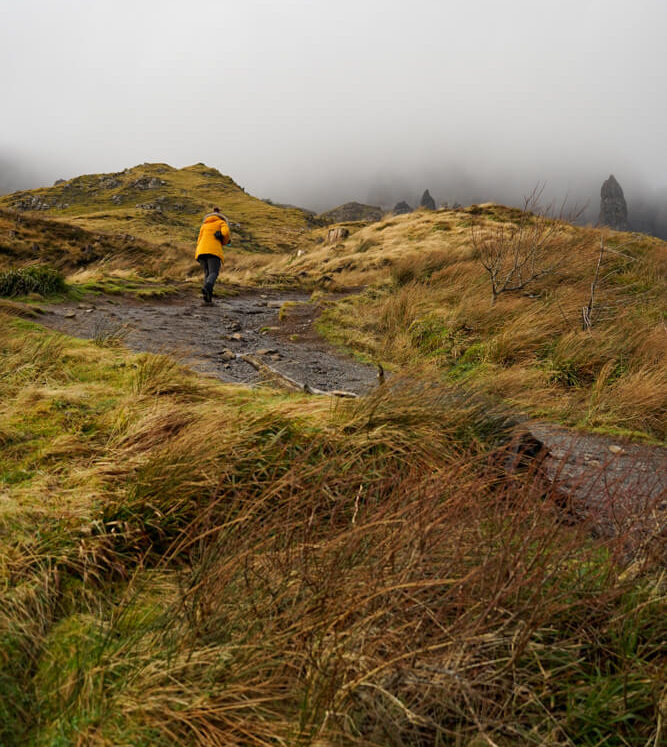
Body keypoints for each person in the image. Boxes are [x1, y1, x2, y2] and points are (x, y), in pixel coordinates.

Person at [195, 207, 231, 303]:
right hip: (213, 251)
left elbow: (199, 239)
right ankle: (207, 287)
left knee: (207, 273)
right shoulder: (221, 223)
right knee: (214, 272)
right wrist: (224, 240)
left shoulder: (204, 225)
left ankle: (208, 296)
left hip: (201, 251)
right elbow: (226, 233)